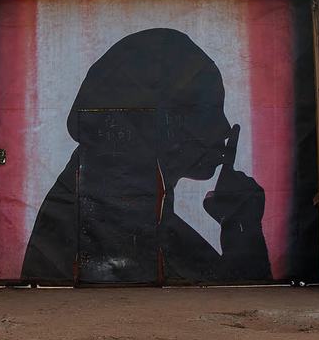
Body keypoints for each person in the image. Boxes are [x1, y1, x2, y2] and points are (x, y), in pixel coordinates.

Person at [21, 28, 270, 284]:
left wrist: (241, 225)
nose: (225, 128)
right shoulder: (107, 221)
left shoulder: (143, 214)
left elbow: (235, 293)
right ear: (163, 121)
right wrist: (243, 229)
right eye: (210, 110)